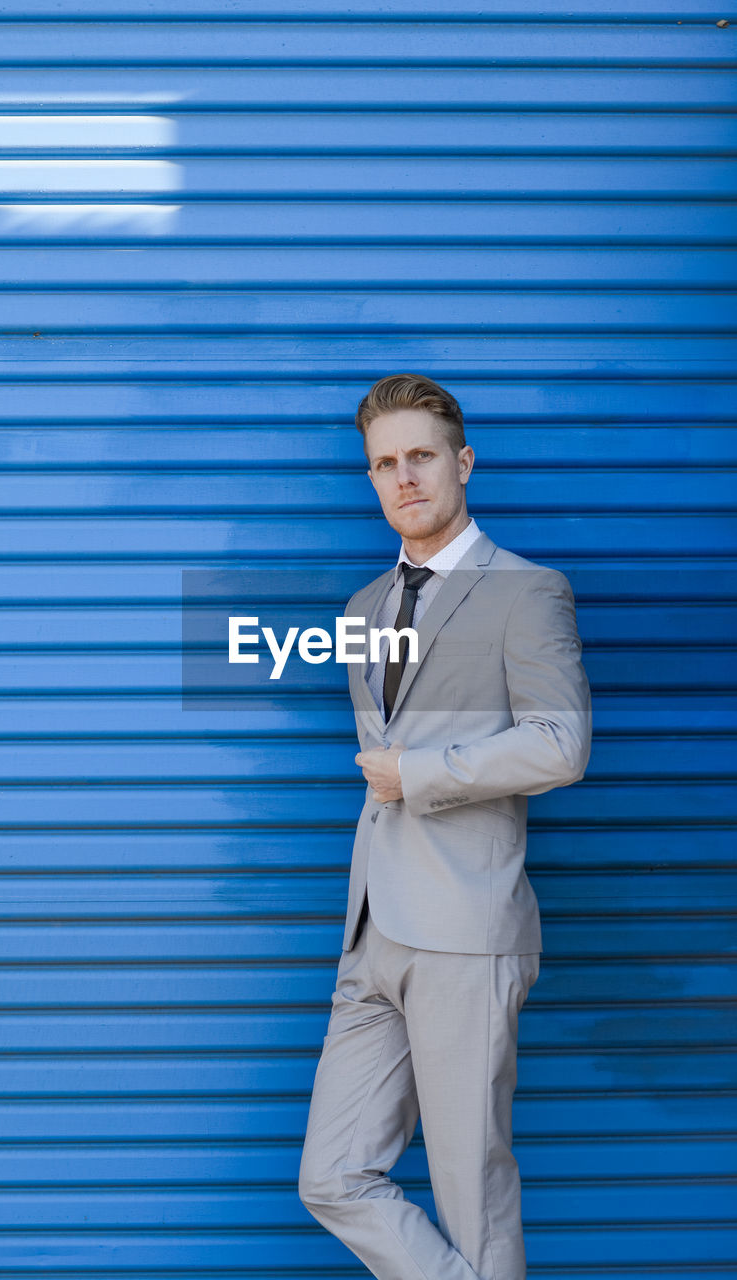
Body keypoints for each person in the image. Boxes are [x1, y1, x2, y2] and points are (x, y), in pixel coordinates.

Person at [298, 373, 592, 1280]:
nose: (403, 478)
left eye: (420, 456)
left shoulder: (527, 591)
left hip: (466, 931)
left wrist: (420, 774)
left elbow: (561, 744)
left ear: (462, 462)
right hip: (373, 933)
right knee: (333, 1177)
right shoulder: (362, 612)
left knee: (473, 1188)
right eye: (383, 464)